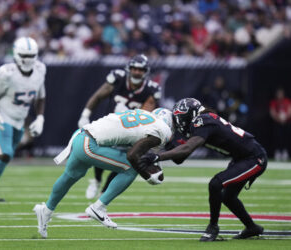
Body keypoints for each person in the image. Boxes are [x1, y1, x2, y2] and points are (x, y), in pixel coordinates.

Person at [140, 98, 268, 241]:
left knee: (215, 184)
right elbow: (179, 158)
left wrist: (157, 157)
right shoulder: (202, 121)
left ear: (190, 114)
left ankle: (213, 227)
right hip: (241, 158)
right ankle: (252, 227)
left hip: (254, 158)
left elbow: (187, 149)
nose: (179, 122)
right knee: (228, 197)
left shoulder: (203, 120)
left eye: (181, 118)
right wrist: (169, 141)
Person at [33, 108, 173, 238]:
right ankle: (98, 208)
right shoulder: (161, 129)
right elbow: (133, 156)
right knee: (131, 168)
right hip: (90, 144)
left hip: (81, 136)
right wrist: (147, 175)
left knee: (70, 177)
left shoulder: (143, 114)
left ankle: (46, 210)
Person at [0, 37, 46, 202]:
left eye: (31, 55)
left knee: (7, 156)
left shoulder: (40, 70)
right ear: (16, 55)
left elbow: (41, 97)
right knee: (5, 153)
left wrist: (40, 117)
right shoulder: (6, 73)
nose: (28, 59)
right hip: (2, 115)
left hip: (19, 119)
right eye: (25, 55)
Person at [77, 54, 161, 200]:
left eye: (140, 70)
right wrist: (85, 115)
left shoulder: (151, 90)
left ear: (145, 72)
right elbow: (97, 96)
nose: (136, 72)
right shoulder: (118, 78)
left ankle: (104, 192)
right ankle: (96, 180)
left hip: (133, 129)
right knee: (101, 151)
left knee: (126, 161)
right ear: (129, 69)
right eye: (134, 68)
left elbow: (148, 116)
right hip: (110, 125)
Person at [269, 87, 291, 161]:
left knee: (286, 137)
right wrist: (278, 118)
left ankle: (285, 152)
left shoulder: (287, 101)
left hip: (286, 122)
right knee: (277, 137)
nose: (280, 95)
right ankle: (277, 152)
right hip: (277, 123)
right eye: (278, 93)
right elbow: (272, 112)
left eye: (281, 93)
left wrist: (285, 118)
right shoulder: (274, 102)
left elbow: (289, 110)